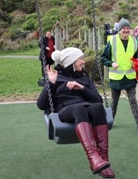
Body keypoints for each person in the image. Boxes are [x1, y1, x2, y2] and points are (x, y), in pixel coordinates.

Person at [37, 47, 115, 178]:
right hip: (66, 110)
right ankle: (93, 158)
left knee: (97, 108)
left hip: (87, 108)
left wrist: (82, 88)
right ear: (71, 61)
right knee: (79, 108)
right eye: (81, 59)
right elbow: (41, 104)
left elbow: (97, 100)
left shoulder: (84, 78)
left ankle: (103, 161)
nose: (83, 62)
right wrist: (51, 83)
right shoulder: (57, 77)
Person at [101, 18, 138, 137]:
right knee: (114, 102)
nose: (126, 30)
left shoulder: (134, 41)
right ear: (119, 30)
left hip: (130, 77)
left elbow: (137, 57)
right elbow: (103, 58)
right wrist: (111, 63)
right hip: (116, 78)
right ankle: (109, 123)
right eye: (124, 28)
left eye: (128, 28)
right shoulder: (112, 41)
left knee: (132, 100)